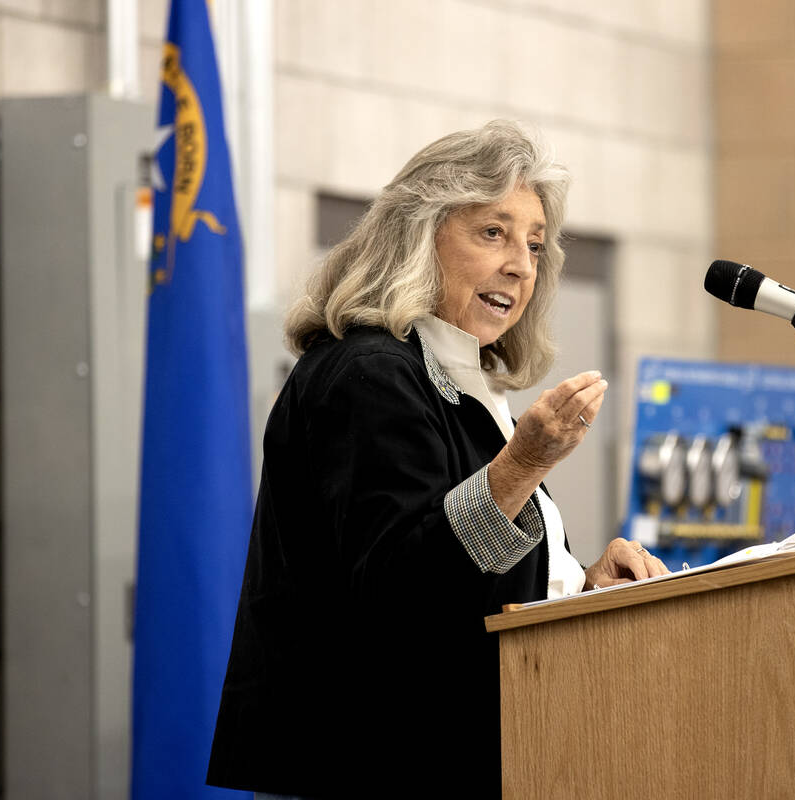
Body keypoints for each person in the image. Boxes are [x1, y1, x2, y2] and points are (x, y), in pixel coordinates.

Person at [207, 120, 669, 798]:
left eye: (534, 245)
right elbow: (402, 590)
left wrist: (582, 583)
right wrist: (523, 465)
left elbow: (477, 581)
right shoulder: (368, 374)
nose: (520, 264)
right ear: (418, 237)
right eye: (493, 233)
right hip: (390, 763)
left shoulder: (460, 382)